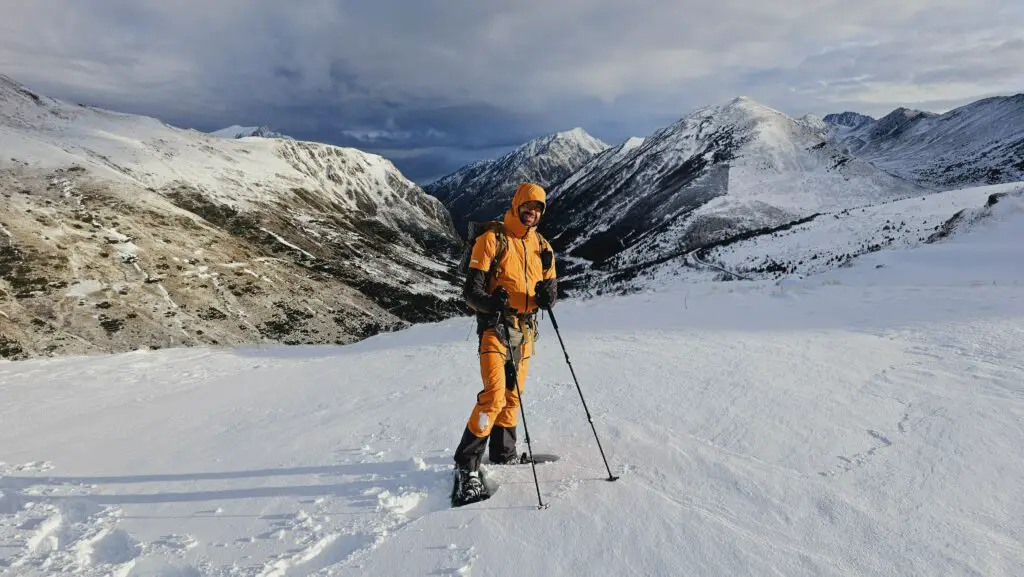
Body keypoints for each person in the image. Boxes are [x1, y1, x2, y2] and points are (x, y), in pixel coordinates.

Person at [451, 182, 558, 504]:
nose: (532, 212)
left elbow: (551, 290)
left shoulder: (542, 246)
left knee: (513, 397)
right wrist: (491, 303)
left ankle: (503, 453)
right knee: (494, 396)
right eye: (528, 206)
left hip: (525, 332)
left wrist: (546, 296)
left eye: (538, 208)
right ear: (516, 205)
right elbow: (471, 292)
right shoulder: (491, 240)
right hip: (495, 329)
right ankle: (466, 465)